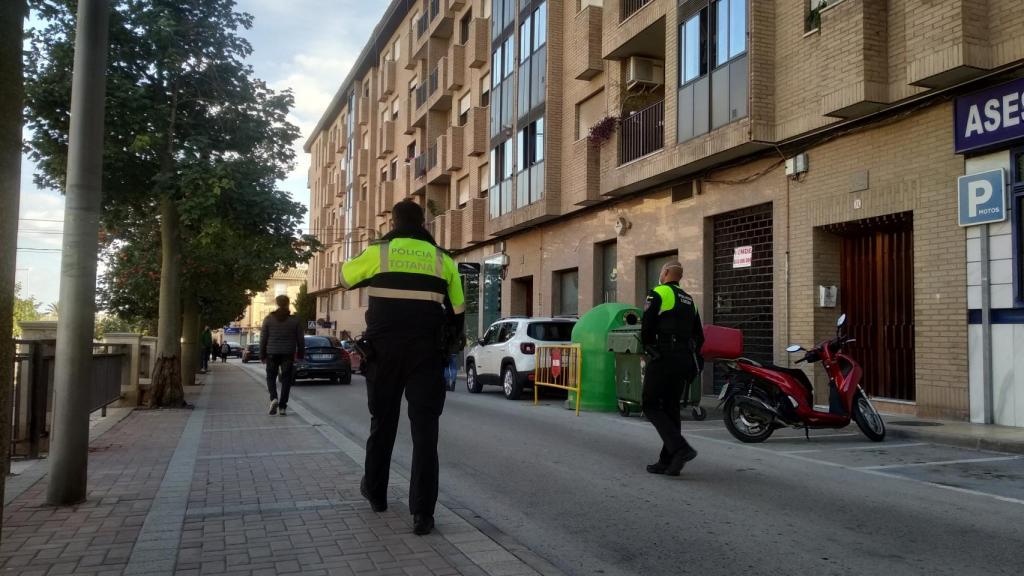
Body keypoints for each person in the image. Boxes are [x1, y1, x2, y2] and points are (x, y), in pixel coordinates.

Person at [339, 200, 465, 536]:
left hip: (383, 353)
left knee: (383, 423)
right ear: (423, 222)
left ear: (393, 222)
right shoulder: (443, 260)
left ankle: (376, 494)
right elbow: (458, 313)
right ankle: (423, 514)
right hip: (426, 353)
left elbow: (344, 277)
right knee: (426, 434)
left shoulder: (379, 252)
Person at [640, 261, 704, 476]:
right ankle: (669, 461)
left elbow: (646, 325)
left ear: (665, 273)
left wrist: (649, 348)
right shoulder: (690, 300)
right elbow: (700, 336)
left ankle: (681, 448)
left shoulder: (658, 292)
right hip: (684, 359)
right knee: (670, 407)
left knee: (649, 404)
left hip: (664, 356)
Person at [260, 294, 305, 416]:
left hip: (272, 353)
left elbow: (263, 338)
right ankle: (283, 407)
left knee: (270, 377)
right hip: (288, 353)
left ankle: (273, 398)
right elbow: (300, 339)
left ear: (277, 304)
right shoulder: (295, 320)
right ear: (288, 303)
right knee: (286, 380)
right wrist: (301, 353)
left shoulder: (268, 319)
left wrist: (262, 354)